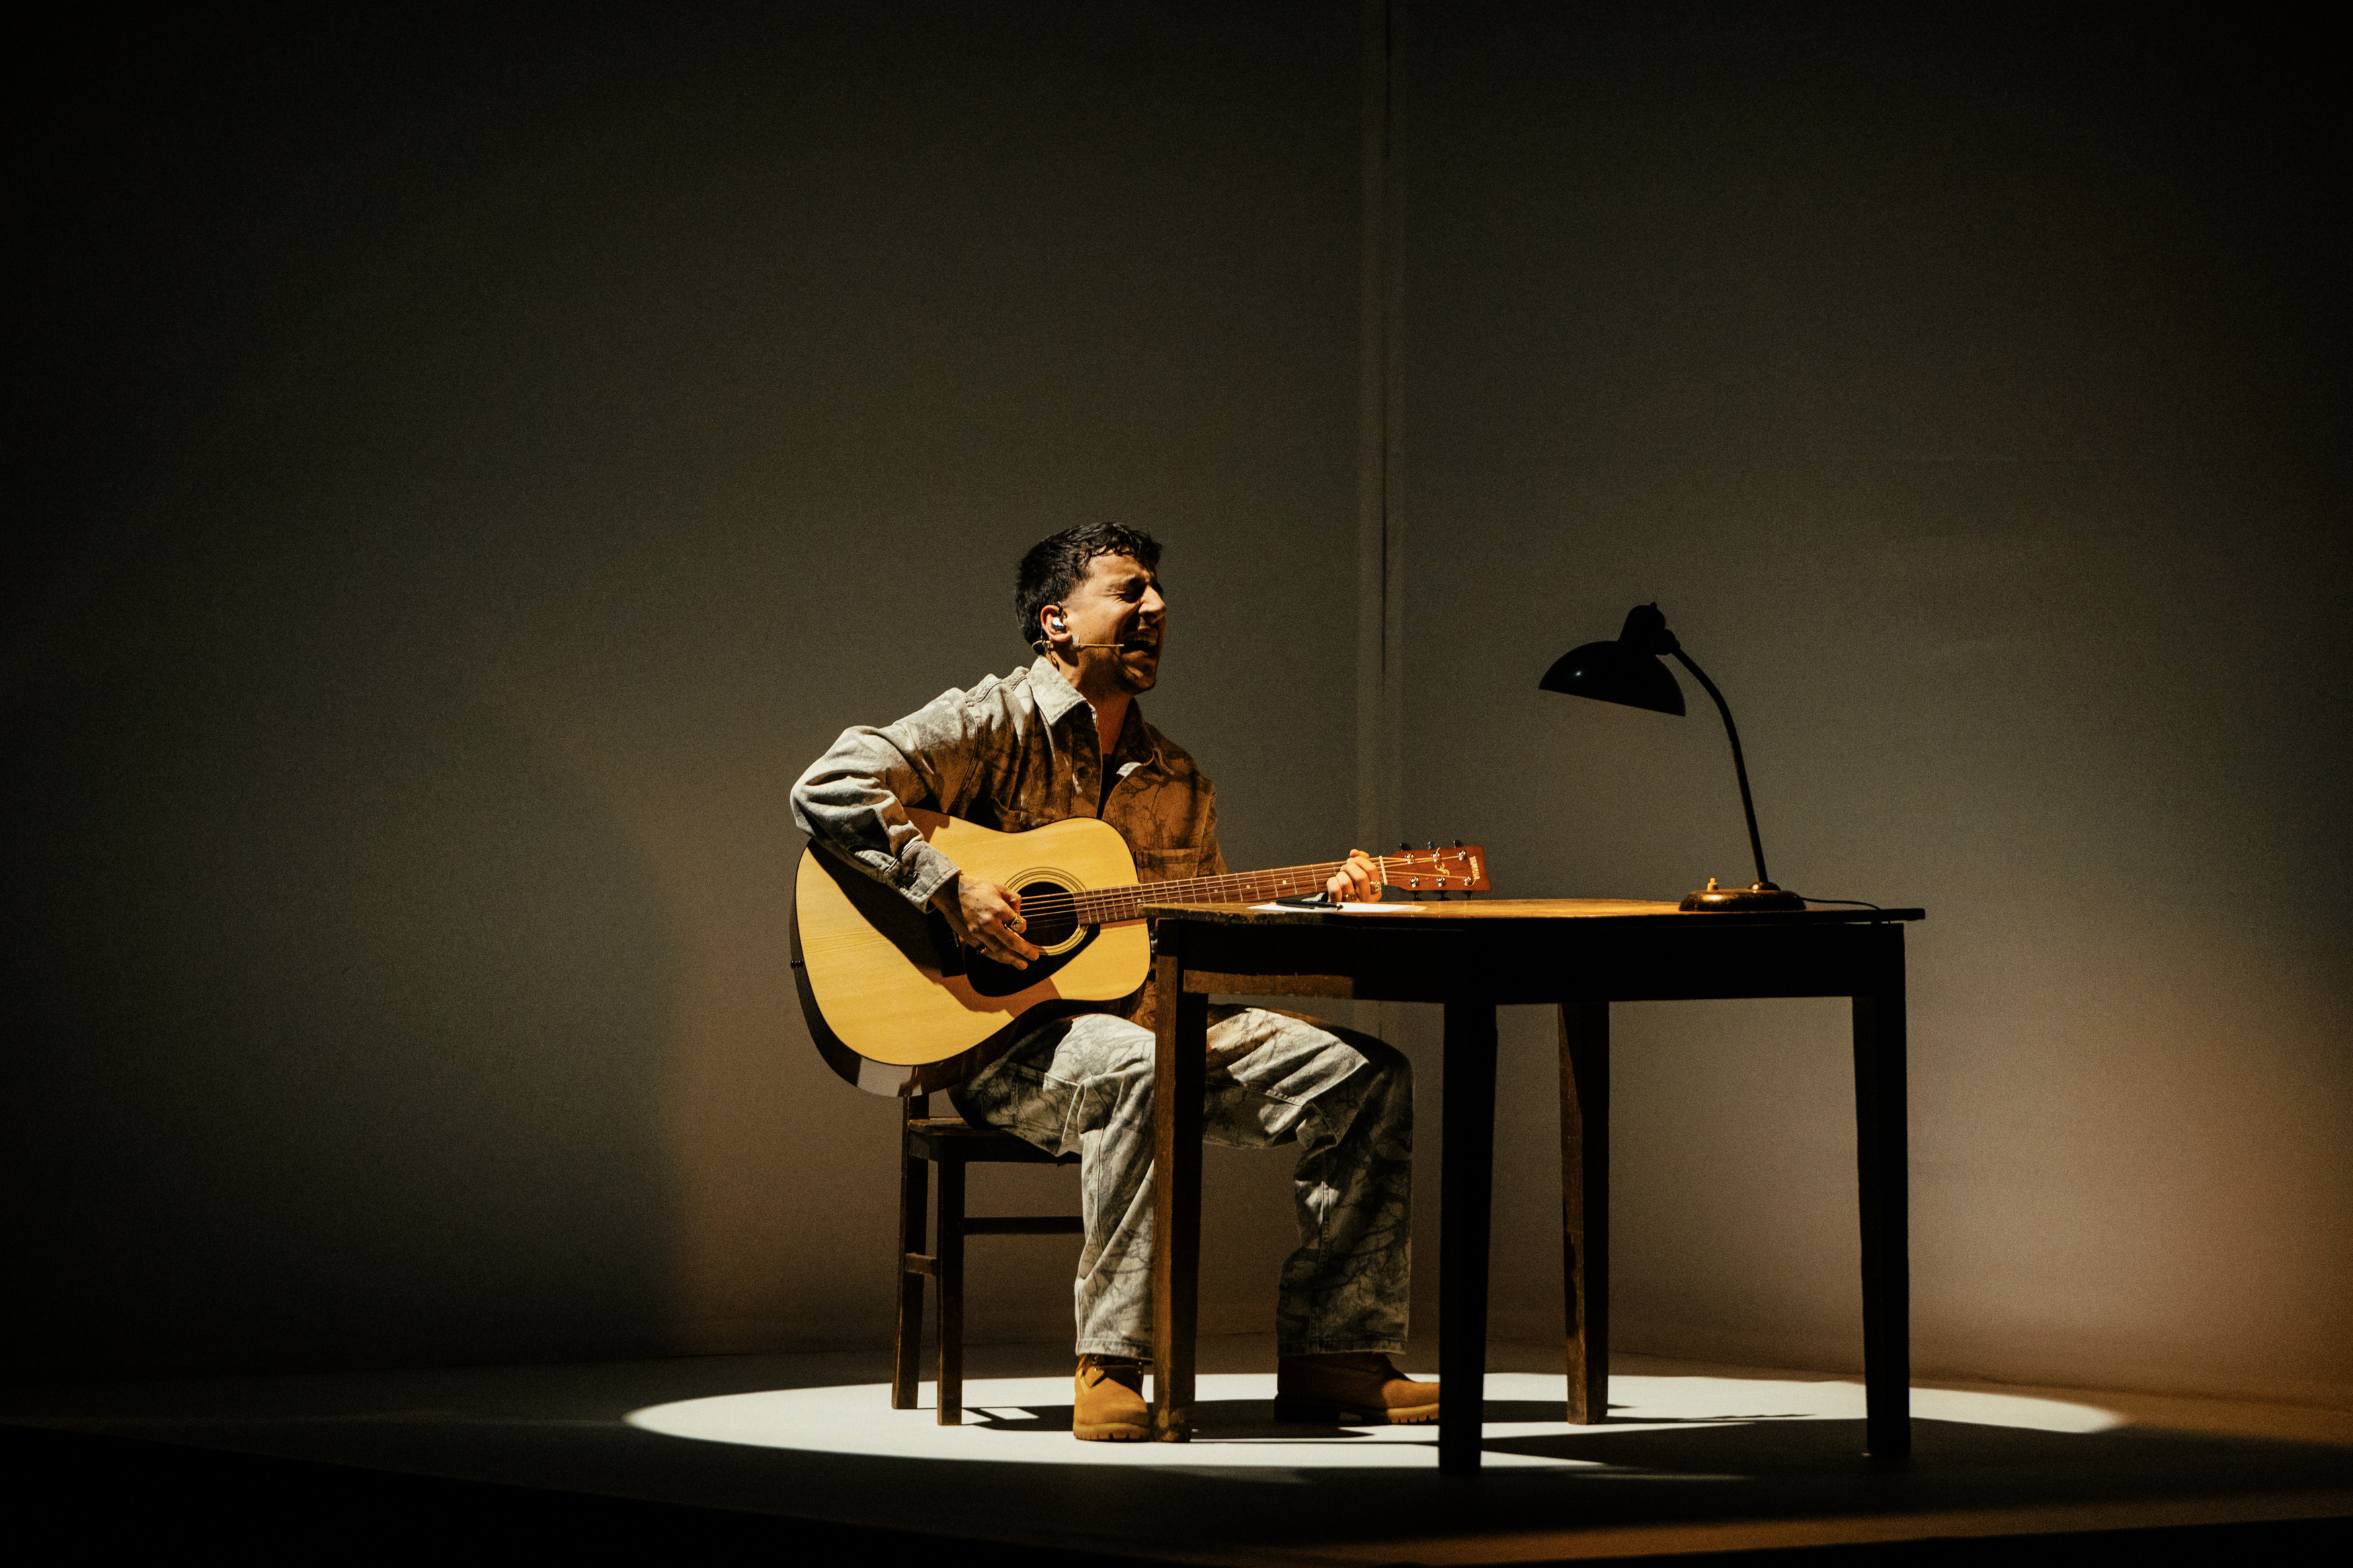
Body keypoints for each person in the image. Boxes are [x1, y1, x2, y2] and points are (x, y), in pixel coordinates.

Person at [791, 522, 1437, 1441]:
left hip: (1150, 1018)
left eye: (1158, 592)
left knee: (1369, 1078)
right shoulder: (990, 723)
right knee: (1140, 1067)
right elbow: (828, 785)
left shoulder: (1179, 780)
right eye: (1130, 591)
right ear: (1057, 620)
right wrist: (949, 886)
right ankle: (1113, 1361)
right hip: (1000, 1046)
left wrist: (1319, 902)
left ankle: (1339, 1351)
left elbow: (1209, 937)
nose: (1157, 607)